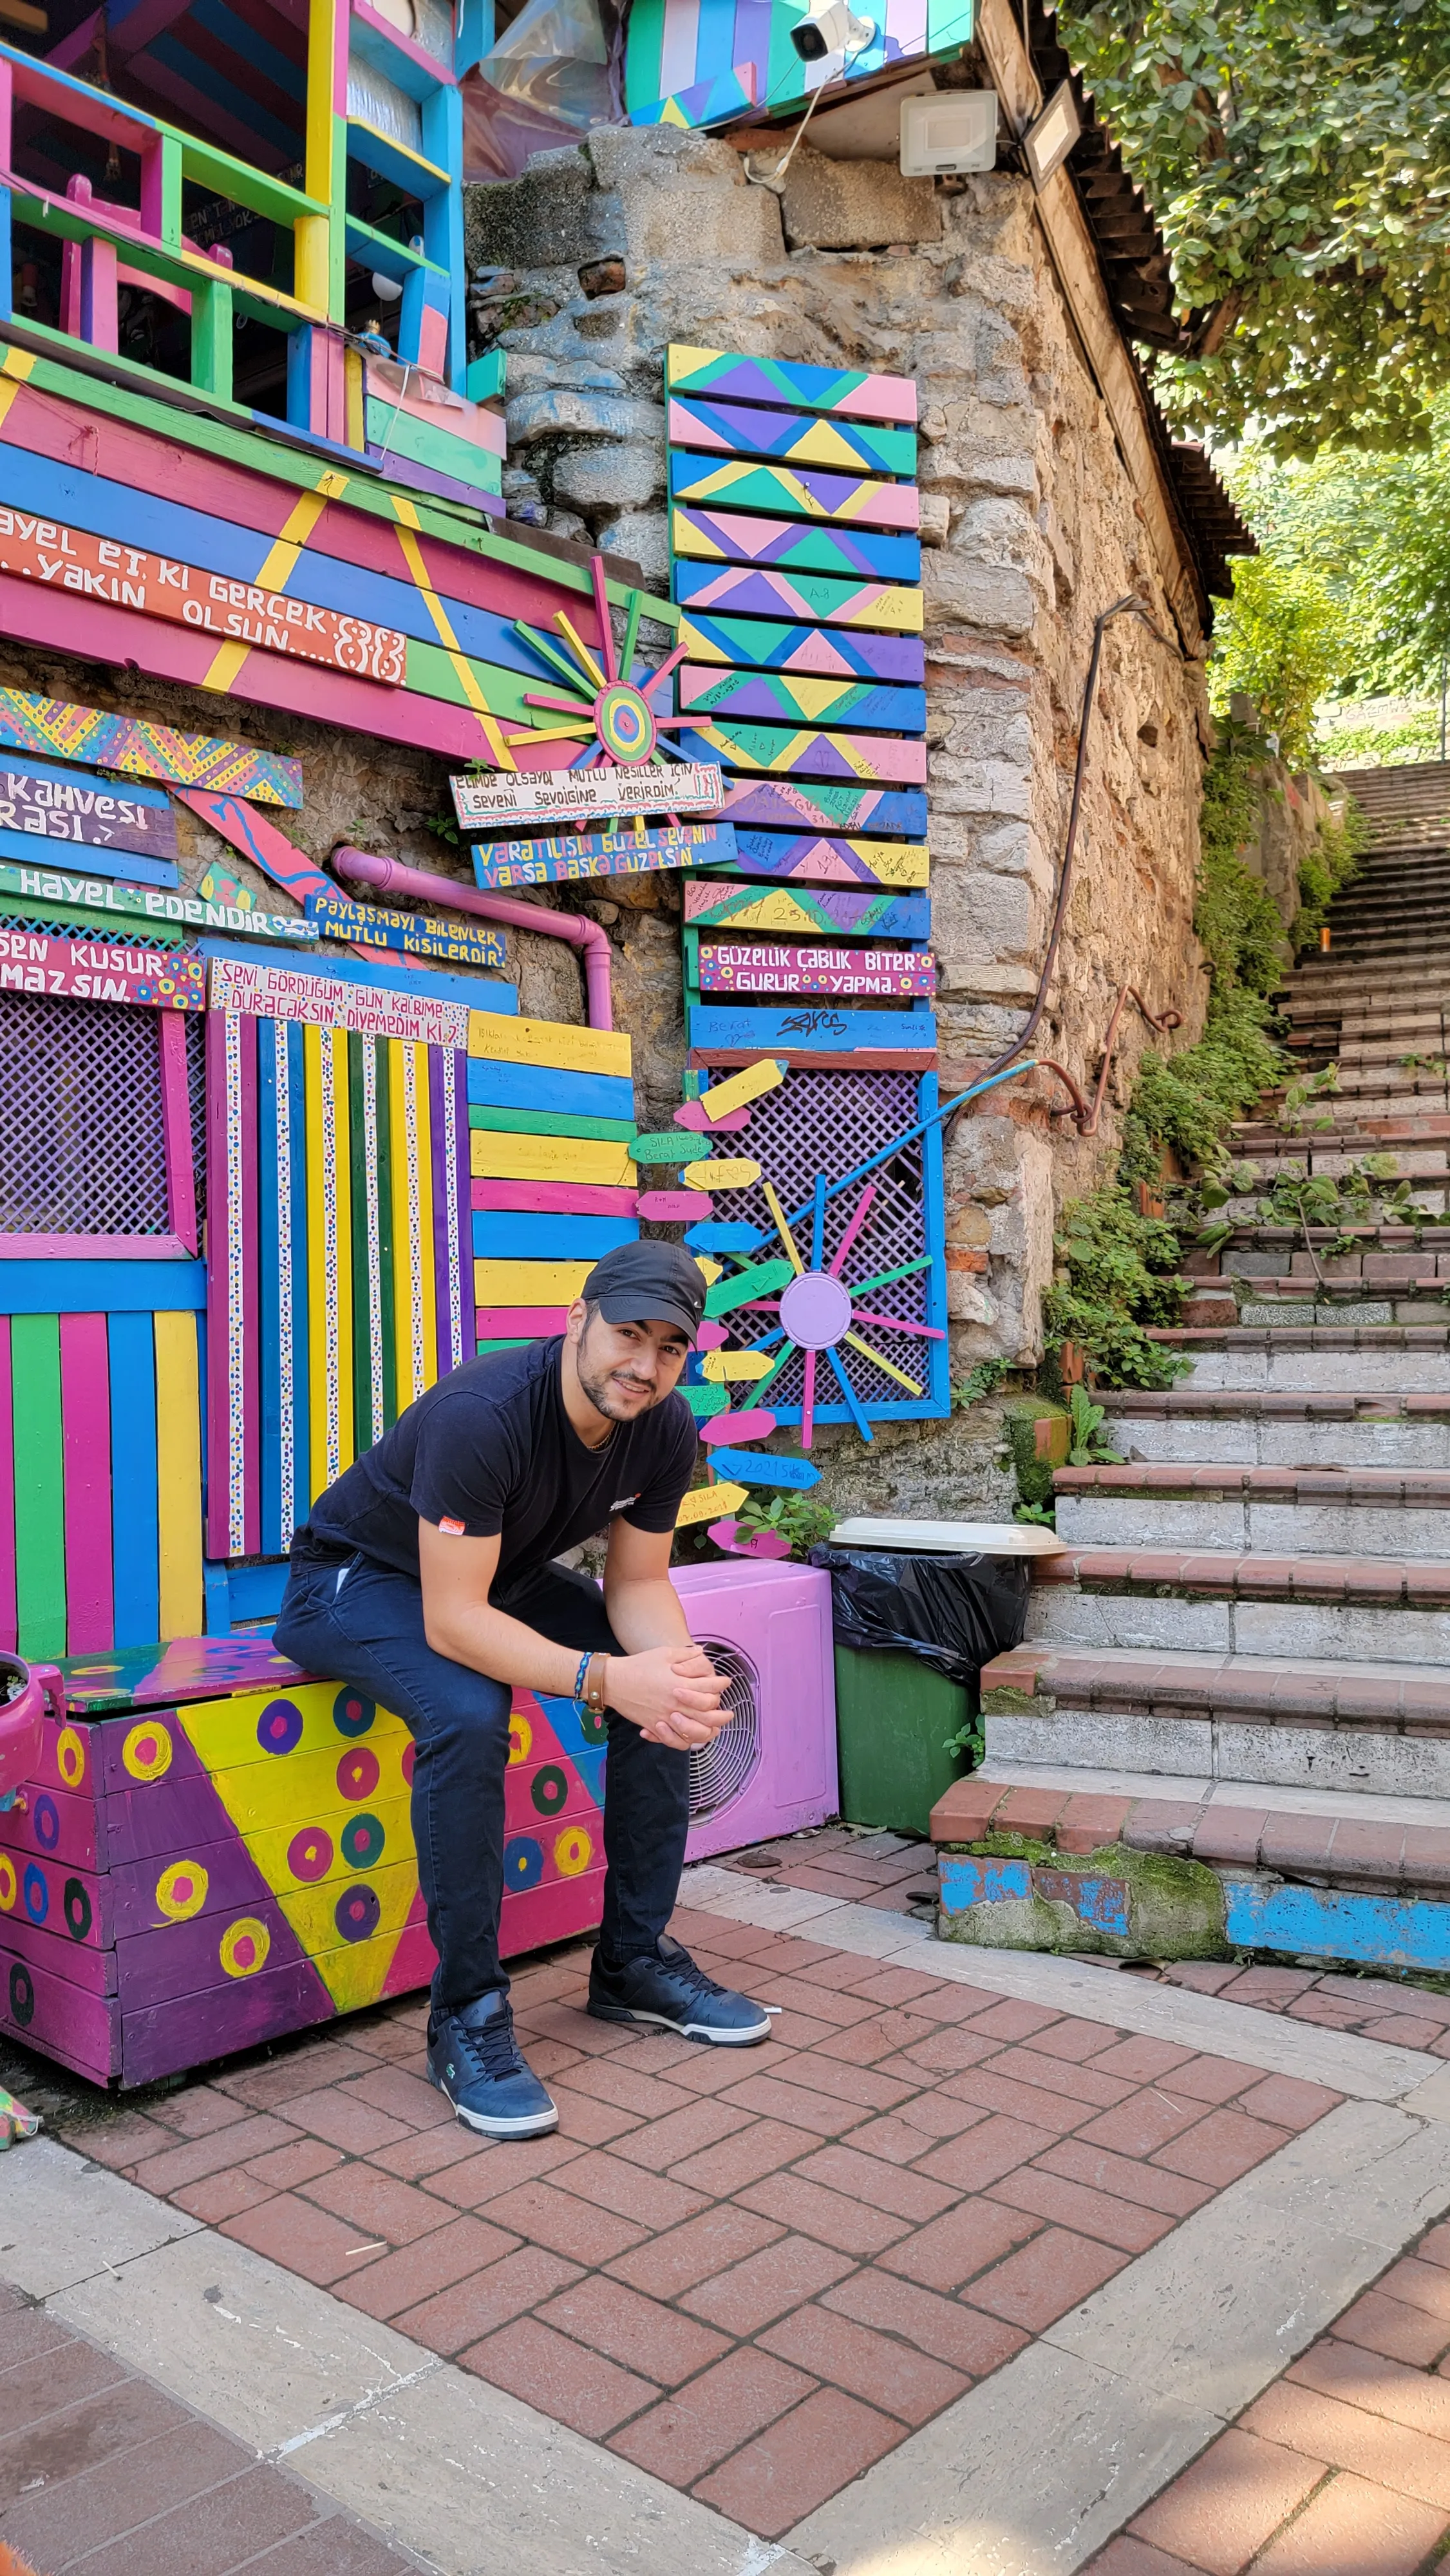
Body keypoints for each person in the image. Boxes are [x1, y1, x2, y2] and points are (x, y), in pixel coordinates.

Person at [274, 1240, 770, 2139]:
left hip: (493, 1576)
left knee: (663, 1691)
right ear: (578, 1321)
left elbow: (638, 1588)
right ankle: (466, 2014)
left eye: (670, 1347)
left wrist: (673, 1680)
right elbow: (454, 1623)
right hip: (355, 1580)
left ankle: (631, 1963)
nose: (645, 1364)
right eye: (629, 1334)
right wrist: (604, 1677)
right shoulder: (487, 1413)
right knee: (468, 1717)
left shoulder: (663, 1426)